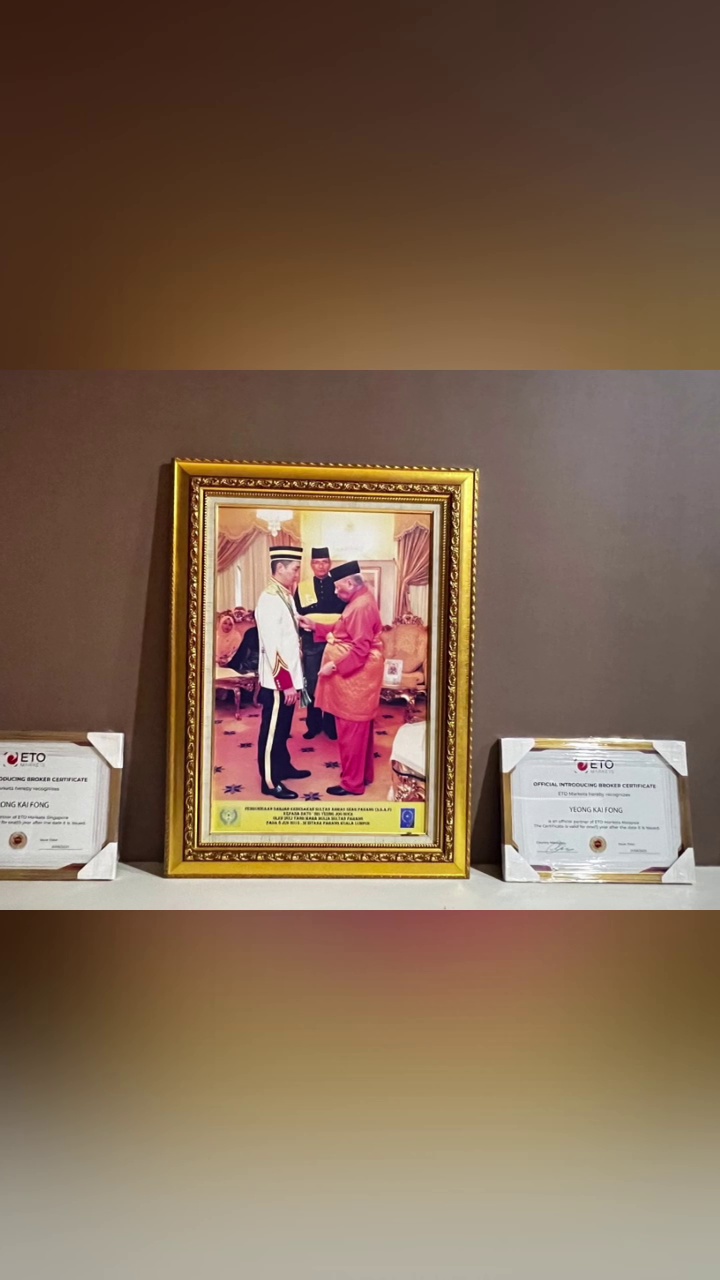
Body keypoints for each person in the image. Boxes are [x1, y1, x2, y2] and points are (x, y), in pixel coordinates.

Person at [301, 561, 384, 797]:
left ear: (350, 582)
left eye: (338, 587)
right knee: (360, 731)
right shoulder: (361, 600)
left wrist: (334, 666)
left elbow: (360, 649)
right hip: (358, 679)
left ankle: (352, 784)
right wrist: (315, 626)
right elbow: (343, 630)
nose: (336, 592)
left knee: (351, 733)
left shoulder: (360, 607)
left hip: (356, 680)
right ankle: (363, 775)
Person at [254, 545, 311, 799]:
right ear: (280, 568)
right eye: (295, 569)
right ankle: (269, 781)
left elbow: (288, 623)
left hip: (290, 678)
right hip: (278, 682)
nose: (297, 574)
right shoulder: (268, 599)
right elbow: (272, 646)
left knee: (283, 729)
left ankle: (283, 766)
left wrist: (301, 622)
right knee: (271, 732)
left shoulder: (283, 595)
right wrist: (286, 683)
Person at [293, 546, 345, 741]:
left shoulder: (339, 585)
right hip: (311, 643)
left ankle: (330, 725)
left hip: (335, 641)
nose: (321, 566)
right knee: (313, 684)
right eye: (317, 562)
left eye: (324, 562)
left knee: (332, 684)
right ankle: (313, 725)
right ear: (311, 565)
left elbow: (345, 614)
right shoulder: (303, 587)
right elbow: (297, 614)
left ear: (329, 563)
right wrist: (302, 627)